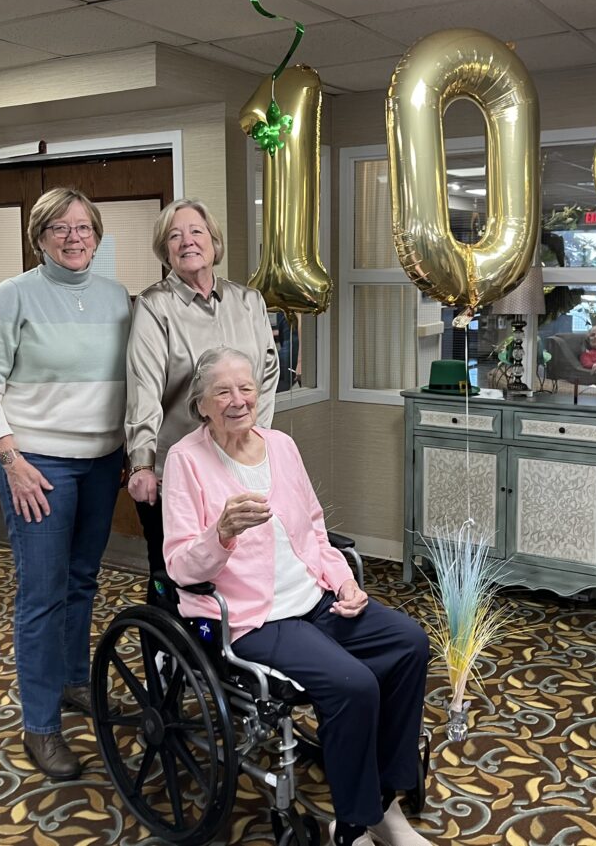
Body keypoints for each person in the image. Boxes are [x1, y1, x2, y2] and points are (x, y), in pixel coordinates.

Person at [162, 347, 431, 846]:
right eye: (222, 391)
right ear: (201, 404)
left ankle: (386, 803)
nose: (237, 400)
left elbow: (314, 530)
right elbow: (179, 566)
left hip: (315, 598)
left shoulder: (281, 445)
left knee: (410, 643)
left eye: (246, 388)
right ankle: (353, 826)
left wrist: (344, 582)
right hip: (254, 619)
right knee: (353, 685)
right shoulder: (186, 461)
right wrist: (219, 533)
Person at [0, 188, 131, 780]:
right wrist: (11, 459)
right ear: (39, 237)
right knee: (41, 592)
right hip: (36, 464)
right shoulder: (13, 296)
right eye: (59, 228)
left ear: (97, 234)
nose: (73, 236)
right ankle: (40, 726)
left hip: (101, 460)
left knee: (82, 579)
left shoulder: (117, 298)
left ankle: (70, 682)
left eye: (83, 226)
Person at [125, 199, 278, 602]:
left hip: (239, 463)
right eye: (174, 236)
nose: (187, 241)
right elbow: (144, 386)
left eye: (196, 231)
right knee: (175, 573)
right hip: (180, 468)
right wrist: (142, 462)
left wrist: (257, 442)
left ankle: (227, 654)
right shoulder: (155, 306)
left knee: (237, 564)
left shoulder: (249, 301)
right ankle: (165, 658)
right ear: (165, 250)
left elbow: (267, 375)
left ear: (214, 241)